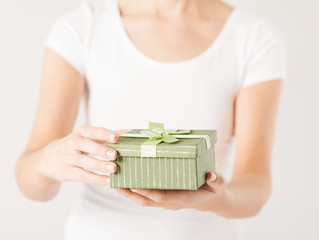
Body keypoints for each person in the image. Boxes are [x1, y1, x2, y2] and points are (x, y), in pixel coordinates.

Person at [15, 0, 286, 239]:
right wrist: (50, 161)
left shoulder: (252, 37)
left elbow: (255, 187)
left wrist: (215, 198)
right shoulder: (82, 26)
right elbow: (32, 186)